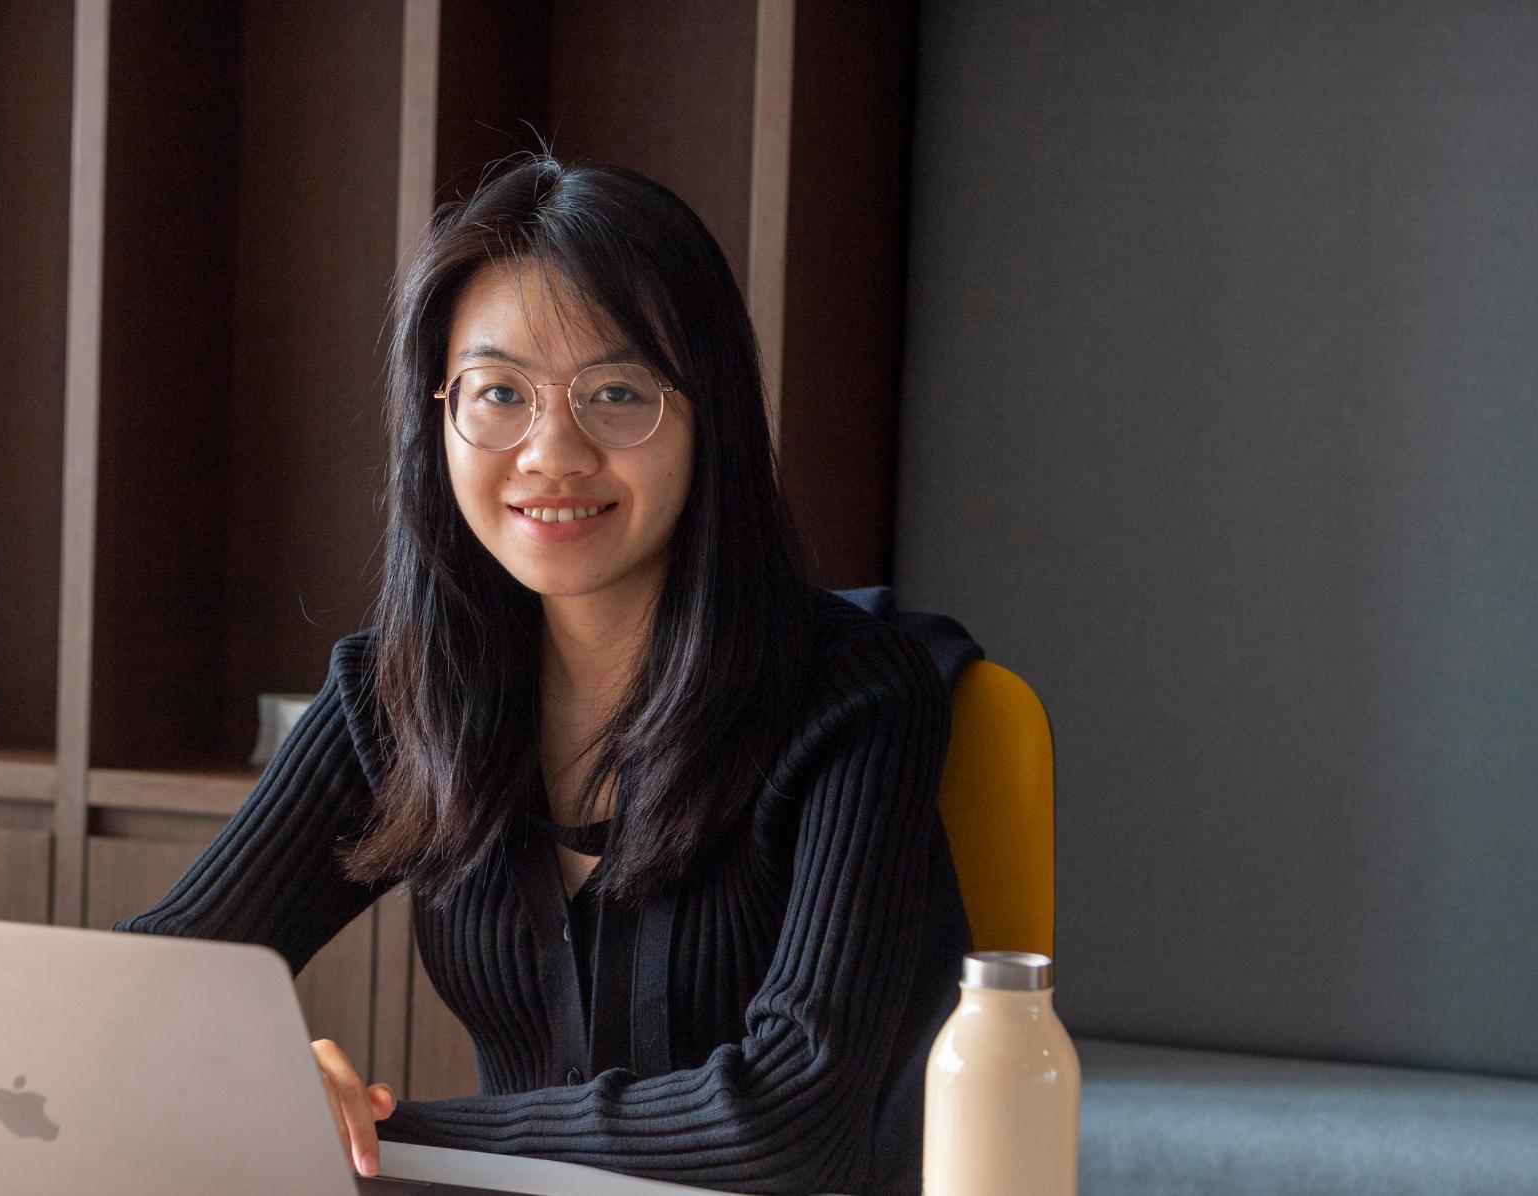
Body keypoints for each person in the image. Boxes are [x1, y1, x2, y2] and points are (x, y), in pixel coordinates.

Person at [112, 151, 978, 1196]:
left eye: (618, 391)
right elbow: (143, 995)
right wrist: (254, 1076)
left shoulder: (854, 695)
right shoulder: (399, 696)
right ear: (438, 418)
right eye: (499, 393)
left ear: (712, 415)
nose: (550, 450)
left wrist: (380, 1131)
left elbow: (788, 1123)